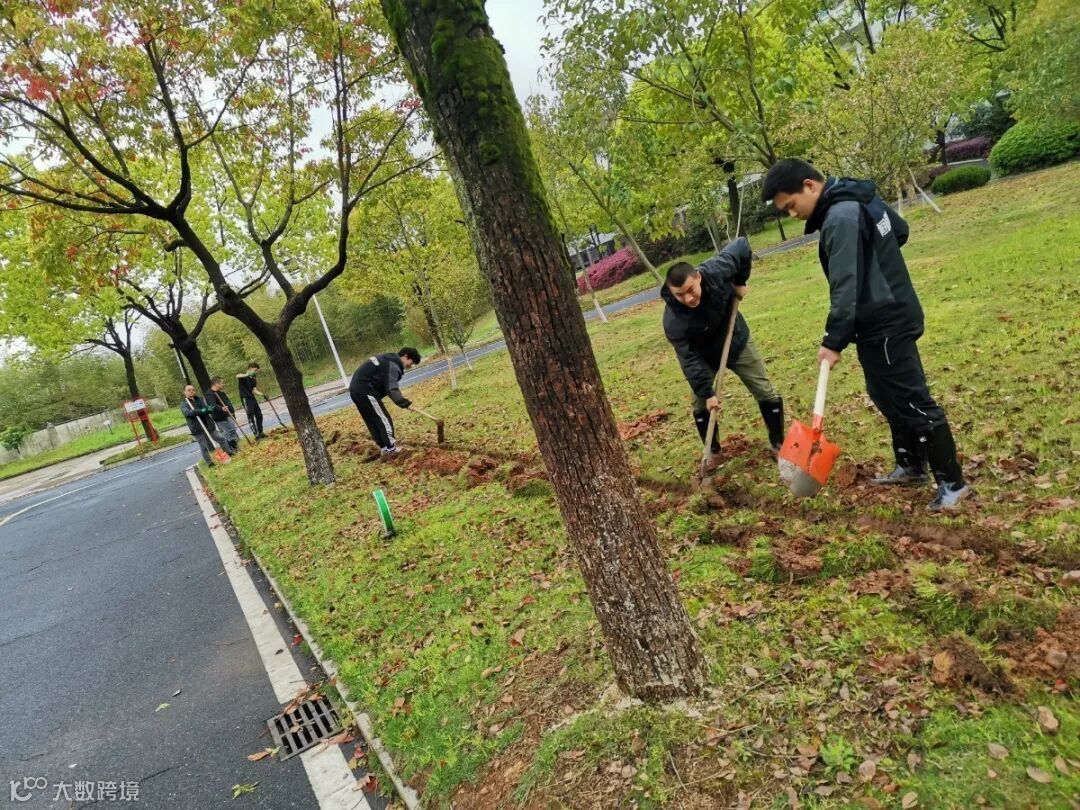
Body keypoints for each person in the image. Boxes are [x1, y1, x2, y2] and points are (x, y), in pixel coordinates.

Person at [761, 158, 969, 512]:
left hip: (885, 319)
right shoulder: (859, 195)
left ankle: (953, 484)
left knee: (911, 400)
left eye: (791, 205)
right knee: (885, 394)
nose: (793, 214)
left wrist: (833, 341)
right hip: (881, 318)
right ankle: (911, 466)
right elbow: (899, 230)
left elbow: (845, 286)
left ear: (810, 185)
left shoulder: (840, 217)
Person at [662, 236, 785, 467]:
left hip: (735, 339)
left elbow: (742, 246)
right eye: (680, 295)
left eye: (691, 289)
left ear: (698, 277)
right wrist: (708, 393)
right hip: (704, 356)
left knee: (764, 390)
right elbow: (688, 360)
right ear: (671, 292)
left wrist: (740, 281)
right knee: (700, 404)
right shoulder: (673, 321)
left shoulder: (717, 270)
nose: (688, 298)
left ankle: (779, 444)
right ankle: (713, 452)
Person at [349, 347, 421, 460]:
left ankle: (384, 449)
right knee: (383, 419)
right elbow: (391, 388)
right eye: (411, 363)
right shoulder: (394, 365)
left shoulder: (387, 359)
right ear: (406, 356)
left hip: (355, 390)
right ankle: (391, 449)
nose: (409, 366)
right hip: (365, 389)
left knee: (372, 420)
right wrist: (405, 403)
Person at [180, 384, 227, 465]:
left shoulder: (200, 399)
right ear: (184, 392)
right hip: (197, 428)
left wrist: (208, 410)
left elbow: (206, 408)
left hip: (208, 425)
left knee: (221, 439)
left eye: (193, 390)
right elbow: (187, 413)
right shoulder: (184, 404)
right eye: (189, 390)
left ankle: (228, 453)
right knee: (204, 447)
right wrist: (200, 411)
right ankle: (210, 463)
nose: (191, 391)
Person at [205, 377, 240, 454]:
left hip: (227, 415)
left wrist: (232, 412)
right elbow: (212, 405)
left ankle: (235, 447)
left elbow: (227, 402)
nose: (223, 384)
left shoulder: (220, 392)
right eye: (221, 383)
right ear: (216, 383)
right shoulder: (209, 394)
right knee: (228, 432)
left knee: (232, 430)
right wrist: (221, 408)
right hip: (220, 417)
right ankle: (231, 448)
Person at [236, 362, 266, 439]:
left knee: (259, 415)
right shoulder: (243, 377)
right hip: (245, 399)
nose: (256, 372)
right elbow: (237, 375)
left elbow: (254, 390)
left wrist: (263, 395)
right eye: (255, 370)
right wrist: (247, 374)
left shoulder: (253, 379)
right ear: (250, 369)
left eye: (257, 371)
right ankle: (256, 435)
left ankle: (260, 432)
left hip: (252, 398)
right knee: (251, 417)